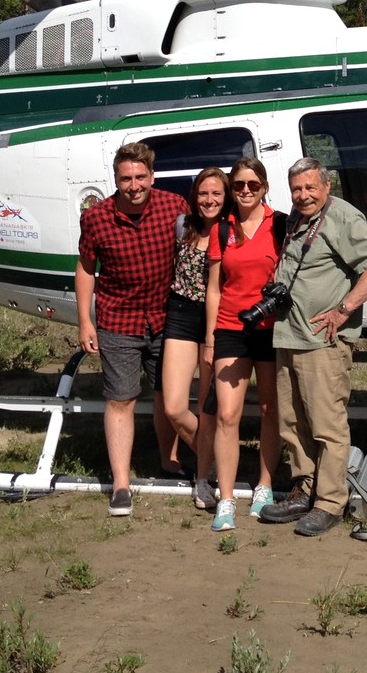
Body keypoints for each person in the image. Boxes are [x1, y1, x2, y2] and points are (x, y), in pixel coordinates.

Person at [258, 158, 367, 537]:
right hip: (290, 336)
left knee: (326, 425)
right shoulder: (300, 220)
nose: (303, 195)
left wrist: (344, 309)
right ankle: (303, 489)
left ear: (326, 185)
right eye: (296, 189)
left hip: (322, 342)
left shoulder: (342, 217)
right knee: (292, 422)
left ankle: (330, 502)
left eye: (310, 188)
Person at [76, 142, 190, 517]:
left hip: (166, 317)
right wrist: (85, 320)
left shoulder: (175, 207)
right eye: (126, 178)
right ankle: (121, 484)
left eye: (141, 176)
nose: (134, 184)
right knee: (120, 399)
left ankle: (169, 462)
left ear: (152, 177)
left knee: (166, 397)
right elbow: (86, 268)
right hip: (118, 319)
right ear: (116, 180)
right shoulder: (96, 218)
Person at [202, 157, 283, 532]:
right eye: (239, 186)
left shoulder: (280, 224)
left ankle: (265, 486)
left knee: (269, 410)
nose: (246, 191)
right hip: (231, 328)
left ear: (264, 186)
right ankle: (227, 497)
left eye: (253, 184)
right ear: (232, 190)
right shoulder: (222, 230)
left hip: (270, 329)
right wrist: (209, 337)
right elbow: (215, 288)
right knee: (227, 415)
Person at [161, 167, 230, 512]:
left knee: (208, 407)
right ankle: (218, 459)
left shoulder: (231, 230)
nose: (210, 200)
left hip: (217, 319)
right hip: (182, 313)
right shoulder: (182, 226)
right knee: (175, 406)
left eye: (217, 193)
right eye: (204, 193)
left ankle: (204, 477)